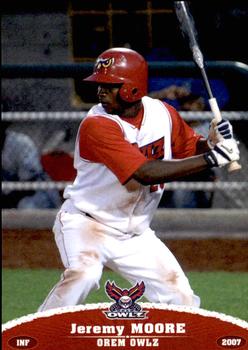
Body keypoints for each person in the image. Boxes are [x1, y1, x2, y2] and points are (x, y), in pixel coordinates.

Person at [38, 48, 239, 311]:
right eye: (100, 84)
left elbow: (189, 147)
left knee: (182, 298)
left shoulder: (162, 113)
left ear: (132, 89)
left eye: (109, 86)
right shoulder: (97, 124)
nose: (100, 91)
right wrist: (213, 158)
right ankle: (37, 334)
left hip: (134, 235)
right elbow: (143, 173)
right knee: (83, 276)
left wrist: (211, 142)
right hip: (87, 224)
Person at [2, 122, 62, 209]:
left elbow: (30, 184)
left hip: (39, 193)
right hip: (10, 195)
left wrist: (7, 201)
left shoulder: (21, 143)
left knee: (26, 207)